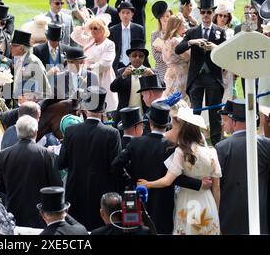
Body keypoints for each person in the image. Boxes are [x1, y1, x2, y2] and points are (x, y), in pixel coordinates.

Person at [115, 103, 209, 234]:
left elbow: (116, 165)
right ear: (167, 125)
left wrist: (131, 180)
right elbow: (176, 178)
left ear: (150, 123)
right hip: (163, 203)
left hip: (138, 198)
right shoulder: (171, 147)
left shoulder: (135, 143)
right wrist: (199, 184)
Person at [137, 106, 222, 235]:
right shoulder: (212, 152)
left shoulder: (181, 152)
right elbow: (217, 187)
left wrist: (148, 184)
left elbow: (167, 181)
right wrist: (216, 210)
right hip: (207, 201)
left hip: (187, 201)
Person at [58, 86, 121, 230]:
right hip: (102, 197)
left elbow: (61, 163)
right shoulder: (112, 133)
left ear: (86, 109)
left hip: (75, 194)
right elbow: (115, 167)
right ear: (103, 111)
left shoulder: (71, 131)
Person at [175, 0, 227, 145]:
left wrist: (214, 48)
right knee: (195, 110)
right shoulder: (192, 32)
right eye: (203, 12)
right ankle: (193, 140)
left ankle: (217, 143)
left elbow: (225, 51)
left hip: (213, 77)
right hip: (196, 77)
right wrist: (192, 42)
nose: (205, 16)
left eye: (208, 12)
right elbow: (178, 49)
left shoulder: (219, 32)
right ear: (200, 13)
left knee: (214, 111)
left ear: (213, 14)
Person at [215, 99, 270, 234]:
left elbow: (216, 185)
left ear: (234, 122)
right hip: (260, 213)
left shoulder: (221, 147)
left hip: (230, 215)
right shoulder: (267, 145)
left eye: (226, 120)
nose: (223, 123)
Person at [0, 115, 62, 228]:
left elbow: (1, 187)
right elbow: (56, 185)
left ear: (17, 132)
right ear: (36, 132)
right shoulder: (47, 155)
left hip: (14, 213)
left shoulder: (4, 154)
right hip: (41, 215)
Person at [71, 15, 118, 114]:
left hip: (102, 77)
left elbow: (106, 63)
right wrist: (84, 27)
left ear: (103, 29)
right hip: (87, 77)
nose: (92, 31)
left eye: (95, 28)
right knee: (87, 104)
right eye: (91, 28)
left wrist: (89, 68)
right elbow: (75, 36)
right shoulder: (90, 40)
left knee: (102, 105)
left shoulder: (109, 44)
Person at [110, 40, 153, 125]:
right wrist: (123, 76)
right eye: (134, 55)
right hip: (124, 115)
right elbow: (113, 88)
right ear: (129, 57)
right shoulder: (121, 71)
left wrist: (152, 76)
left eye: (141, 56)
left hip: (144, 116)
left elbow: (163, 87)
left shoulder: (150, 72)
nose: (137, 58)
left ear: (144, 58)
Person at [11, 30, 51, 101]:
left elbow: (46, 89)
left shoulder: (34, 62)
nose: (11, 48)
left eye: (13, 45)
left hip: (31, 105)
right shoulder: (18, 60)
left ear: (21, 48)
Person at [109, 1, 146, 71]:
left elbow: (142, 48)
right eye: (123, 12)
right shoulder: (112, 30)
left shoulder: (139, 29)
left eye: (128, 13)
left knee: (135, 81)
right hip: (118, 64)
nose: (125, 15)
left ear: (132, 14)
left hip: (135, 63)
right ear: (119, 14)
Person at [213, 0, 235, 102]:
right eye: (220, 15)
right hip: (213, 68)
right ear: (216, 16)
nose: (222, 18)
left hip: (227, 68)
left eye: (225, 16)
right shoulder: (211, 30)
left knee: (227, 98)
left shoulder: (231, 32)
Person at [162, 15, 190, 100]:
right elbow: (189, 56)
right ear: (178, 25)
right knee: (180, 103)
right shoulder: (177, 41)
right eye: (183, 23)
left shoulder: (166, 40)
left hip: (170, 74)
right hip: (180, 76)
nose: (185, 25)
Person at [150, 1, 173, 82]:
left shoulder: (176, 34)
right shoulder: (155, 35)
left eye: (168, 16)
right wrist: (170, 52)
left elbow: (178, 55)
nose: (165, 18)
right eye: (163, 16)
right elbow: (156, 57)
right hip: (161, 73)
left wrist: (163, 49)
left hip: (175, 73)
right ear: (159, 18)